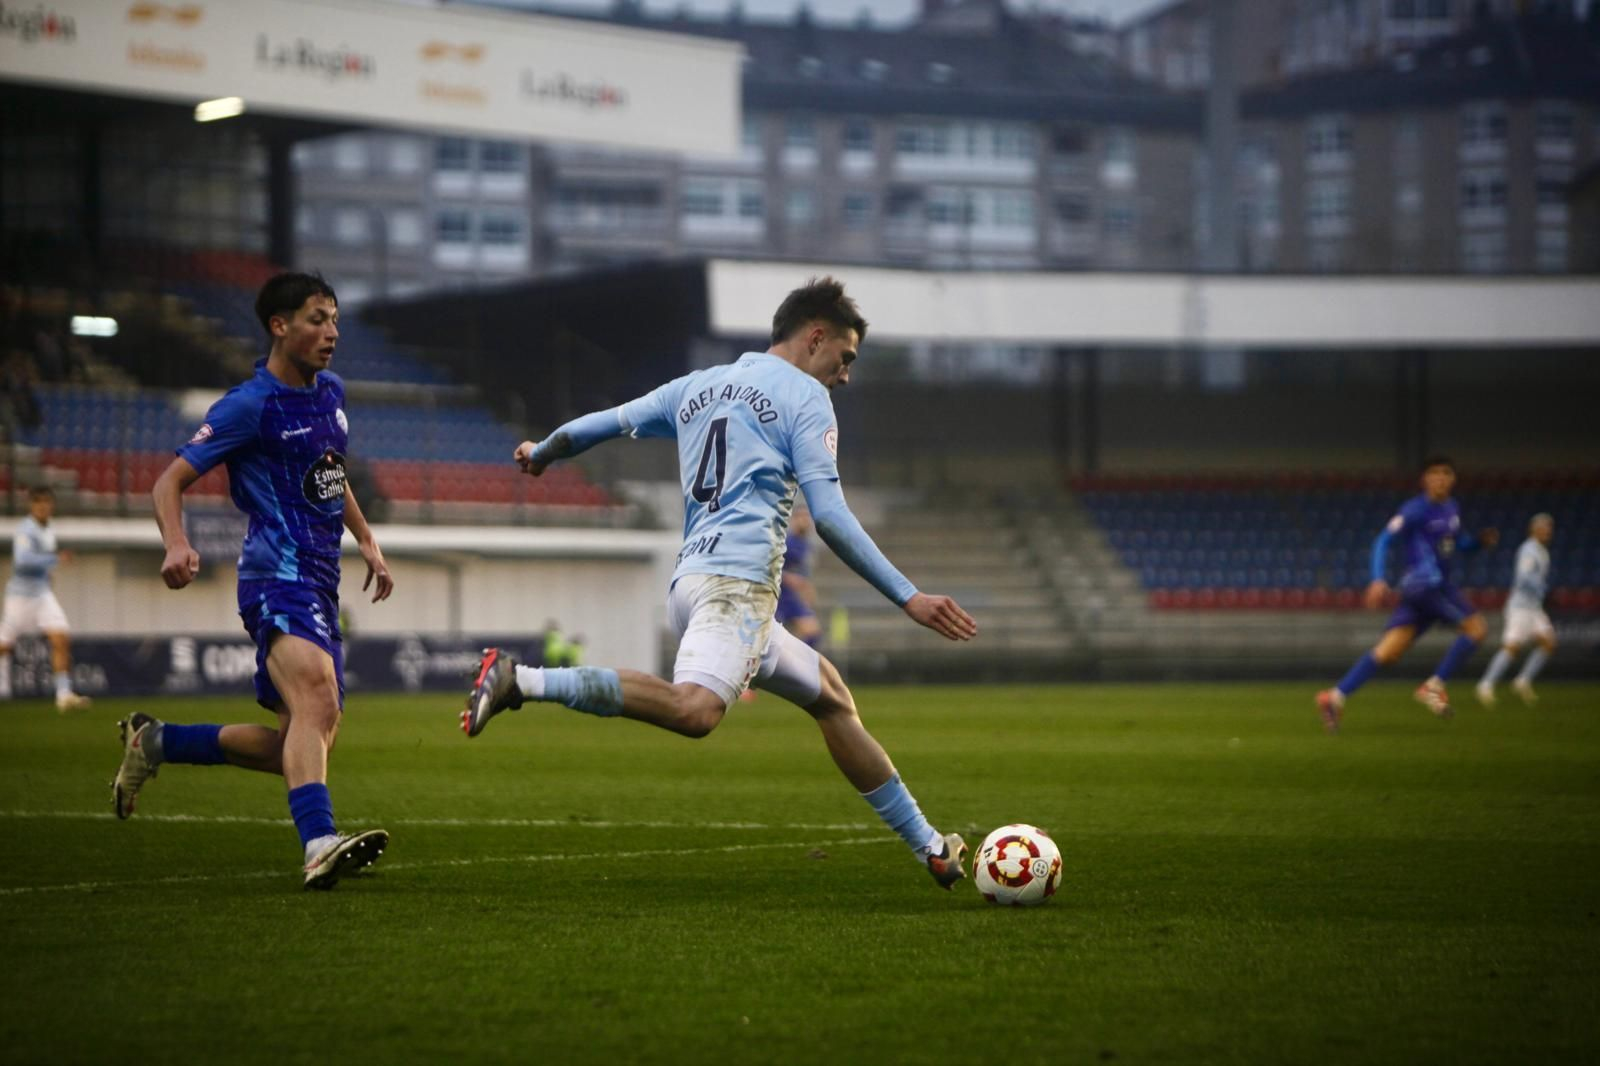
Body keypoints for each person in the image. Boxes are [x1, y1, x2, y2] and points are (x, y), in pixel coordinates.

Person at [461, 277, 979, 890]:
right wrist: (908, 596)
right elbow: (831, 517)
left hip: (692, 585)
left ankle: (930, 848)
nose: (845, 375)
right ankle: (520, 679)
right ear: (816, 336)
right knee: (696, 711)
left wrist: (543, 451)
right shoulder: (806, 398)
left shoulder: (698, 386)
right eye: (845, 358)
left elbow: (601, 424)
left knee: (832, 697)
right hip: (738, 589)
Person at [111, 272, 396, 890]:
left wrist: (367, 540)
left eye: (336, 321)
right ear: (280, 325)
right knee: (317, 697)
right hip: (274, 578)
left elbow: (330, 473)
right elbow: (168, 482)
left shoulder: (331, 394)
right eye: (318, 319)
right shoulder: (248, 406)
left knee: (297, 744)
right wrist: (178, 543)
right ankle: (319, 844)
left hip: (320, 582)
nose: (331, 333)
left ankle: (156, 743)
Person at [1315, 456, 1498, 732]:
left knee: (1388, 652)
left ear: (1453, 479)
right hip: (1427, 584)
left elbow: (1457, 542)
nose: (1440, 478)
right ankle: (1434, 686)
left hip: (1426, 591)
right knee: (1477, 629)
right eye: (1434, 473)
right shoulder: (1414, 509)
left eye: (1445, 473)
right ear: (1424, 479)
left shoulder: (1451, 508)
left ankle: (1334, 697)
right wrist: (1377, 579)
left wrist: (1478, 543)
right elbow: (1383, 540)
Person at [0, 486, 92, 711]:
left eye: (46, 502)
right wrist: (55, 558)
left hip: (42, 595)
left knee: (60, 637)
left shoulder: (48, 529)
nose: (43, 507)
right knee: (4, 646)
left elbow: (41, 563)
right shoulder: (26, 529)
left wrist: (49, 574)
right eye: (38, 502)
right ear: (31, 506)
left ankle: (63, 694)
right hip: (20, 597)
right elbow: (22, 561)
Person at [1477, 513, 1556, 706]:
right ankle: (1485, 684)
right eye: (1543, 527)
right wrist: (1542, 589)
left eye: (1549, 528)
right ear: (1533, 529)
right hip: (1521, 607)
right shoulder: (1528, 550)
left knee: (1549, 643)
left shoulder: (1542, 551)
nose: (1547, 531)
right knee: (1512, 648)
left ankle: (1523, 680)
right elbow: (1523, 577)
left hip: (1534, 608)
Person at [775, 506, 824, 647]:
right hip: (779, 597)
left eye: (808, 517)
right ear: (794, 519)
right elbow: (770, 568)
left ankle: (793, 664)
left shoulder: (806, 545)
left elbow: (802, 573)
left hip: (794, 598)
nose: (806, 520)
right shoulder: (785, 542)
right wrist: (789, 578)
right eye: (801, 517)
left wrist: (808, 591)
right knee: (775, 640)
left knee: (813, 634)